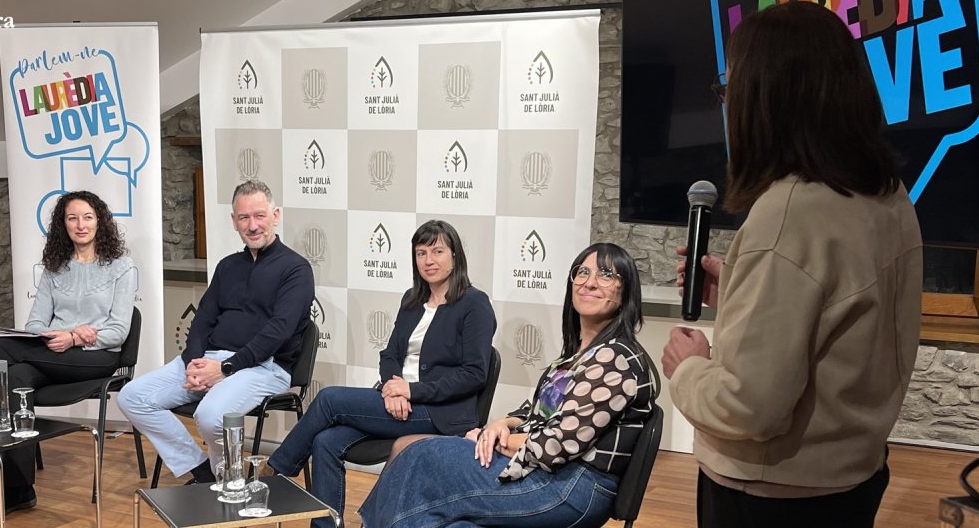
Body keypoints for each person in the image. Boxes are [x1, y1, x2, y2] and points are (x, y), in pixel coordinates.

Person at [661, 1, 923, 528]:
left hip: (771, 494)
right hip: (853, 475)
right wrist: (740, 290)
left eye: (731, 86)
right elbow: (838, 317)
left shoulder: (789, 212)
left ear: (768, 98)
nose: (726, 102)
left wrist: (688, 368)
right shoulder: (886, 194)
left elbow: (751, 407)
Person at [360, 242, 658, 528]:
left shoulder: (615, 358)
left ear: (625, 291)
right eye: (582, 272)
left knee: (421, 457)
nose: (590, 282)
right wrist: (504, 422)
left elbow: (554, 445)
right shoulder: (580, 352)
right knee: (440, 509)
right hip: (550, 474)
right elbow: (541, 412)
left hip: (570, 489)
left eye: (606, 274)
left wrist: (493, 439)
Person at [269, 219, 497, 527]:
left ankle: (273, 477)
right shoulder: (412, 300)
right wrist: (392, 387)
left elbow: (474, 374)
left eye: (437, 251)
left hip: (440, 412)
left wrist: (411, 391)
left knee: (329, 399)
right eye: (420, 253)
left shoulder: (475, 304)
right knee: (325, 441)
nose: (428, 261)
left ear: (455, 256)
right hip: (400, 401)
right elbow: (390, 354)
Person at [0, 190, 135, 519]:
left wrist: (73, 338)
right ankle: (19, 489)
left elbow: (119, 332)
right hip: (54, 355)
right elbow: (36, 322)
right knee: (14, 378)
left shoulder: (121, 267)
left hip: (98, 359)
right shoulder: (56, 267)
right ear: (62, 225)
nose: (80, 225)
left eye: (87, 217)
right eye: (72, 218)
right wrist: (54, 335)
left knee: (3, 347)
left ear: (100, 222)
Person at [118, 179, 313, 485]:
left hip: (264, 366)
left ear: (276, 216)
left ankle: (229, 483)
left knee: (210, 416)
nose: (252, 225)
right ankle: (206, 472)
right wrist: (195, 362)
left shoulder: (296, 269)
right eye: (244, 217)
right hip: (210, 361)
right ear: (234, 221)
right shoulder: (227, 266)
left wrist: (225, 369)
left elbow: (280, 331)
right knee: (132, 396)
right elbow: (203, 321)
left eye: (259, 215)